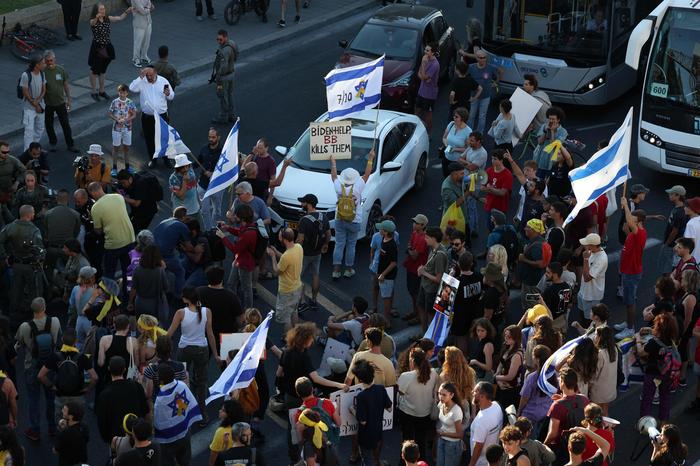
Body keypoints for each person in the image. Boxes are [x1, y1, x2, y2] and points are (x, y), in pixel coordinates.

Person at [166, 286, 220, 425]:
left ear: (185, 299)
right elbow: (210, 334)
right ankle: (203, 415)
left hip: (184, 350)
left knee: (181, 379)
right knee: (201, 383)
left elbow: (169, 334)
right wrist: (215, 354)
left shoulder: (180, 313)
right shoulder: (207, 312)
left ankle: (181, 412)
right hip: (202, 349)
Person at [329, 149, 375, 279]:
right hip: (354, 220)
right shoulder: (357, 187)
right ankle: (348, 269)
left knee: (339, 244)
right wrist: (370, 158)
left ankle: (336, 271)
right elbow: (367, 174)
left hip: (340, 218)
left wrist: (333, 163)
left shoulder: (339, 187)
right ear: (355, 178)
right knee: (351, 245)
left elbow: (333, 176)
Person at [38, 327, 97, 424]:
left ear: (62, 340)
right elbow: (94, 377)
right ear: (76, 340)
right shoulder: (82, 357)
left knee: (61, 424)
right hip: (77, 396)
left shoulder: (55, 357)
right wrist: (88, 389)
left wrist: (52, 386)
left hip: (61, 395)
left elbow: (41, 376)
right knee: (78, 423)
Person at [0, 206, 44, 320]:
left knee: (15, 291)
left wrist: (5, 255)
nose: (34, 215)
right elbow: (40, 250)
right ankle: (35, 316)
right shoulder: (34, 230)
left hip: (16, 264)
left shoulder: (10, 227)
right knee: (34, 291)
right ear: (29, 215)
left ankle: (13, 316)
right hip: (31, 265)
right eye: (33, 213)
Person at [153, 364, 202, 466]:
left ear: (161, 381)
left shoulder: (160, 400)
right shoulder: (182, 386)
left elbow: (159, 421)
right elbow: (189, 404)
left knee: (168, 461)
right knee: (185, 460)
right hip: (184, 431)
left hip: (169, 438)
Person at [96, 356, 149, 446]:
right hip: (137, 433)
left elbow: (102, 421)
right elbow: (145, 409)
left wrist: (108, 439)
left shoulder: (104, 394)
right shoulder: (136, 386)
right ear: (124, 369)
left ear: (109, 369)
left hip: (116, 439)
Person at [88, 181, 136, 280]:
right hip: (130, 240)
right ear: (101, 188)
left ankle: (109, 294)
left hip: (113, 245)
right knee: (128, 271)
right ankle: (127, 292)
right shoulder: (118, 197)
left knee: (109, 273)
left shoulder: (95, 207)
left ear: (92, 193)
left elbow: (98, 231)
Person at [129, 66, 174, 167]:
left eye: (150, 75)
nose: (149, 77)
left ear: (155, 73)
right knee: (149, 138)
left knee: (163, 138)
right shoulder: (142, 82)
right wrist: (140, 77)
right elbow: (132, 88)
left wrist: (168, 94)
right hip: (147, 116)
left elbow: (171, 96)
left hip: (161, 115)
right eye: (147, 75)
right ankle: (153, 159)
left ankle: (166, 159)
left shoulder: (163, 81)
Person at [615, 200, 647, 340]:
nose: (630, 220)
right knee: (627, 301)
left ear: (638, 221)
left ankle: (630, 328)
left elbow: (632, 223)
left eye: (632, 219)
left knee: (630, 301)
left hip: (631, 273)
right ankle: (628, 322)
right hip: (627, 271)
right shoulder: (633, 233)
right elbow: (626, 227)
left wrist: (626, 205)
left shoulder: (639, 233)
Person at [397, 347, 438, 460]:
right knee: (421, 440)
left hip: (407, 413)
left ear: (413, 361)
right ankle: (421, 460)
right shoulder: (433, 373)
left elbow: (400, 392)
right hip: (425, 413)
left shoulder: (406, 376)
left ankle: (406, 460)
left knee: (407, 440)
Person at [637, 313, 679, 423]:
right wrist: (650, 330)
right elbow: (662, 334)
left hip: (653, 373)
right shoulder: (672, 341)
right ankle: (663, 423)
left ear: (658, 327)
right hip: (667, 374)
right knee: (665, 397)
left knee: (647, 399)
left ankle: (645, 424)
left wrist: (637, 339)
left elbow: (641, 352)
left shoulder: (653, 343)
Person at [544, 367, 589, 461]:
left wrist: (544, 445)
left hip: (563, 447)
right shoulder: (584, 399)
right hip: (581, 444)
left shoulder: (557, 406)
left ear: (562, 383)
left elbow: (553, 434)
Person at [353, 359, 392, 466]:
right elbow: (389, 408)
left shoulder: (361, 397)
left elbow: (363, 421)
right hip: (378, 431)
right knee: (375, 455)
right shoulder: (381, 389)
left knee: (367, 460)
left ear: (360, 380)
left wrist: (353, 410)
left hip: (365, 436)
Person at [217, 204, 257, 309]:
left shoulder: (248, 234)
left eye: (236, 215)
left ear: (242, 218)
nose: (234, 217)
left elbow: (235, 249)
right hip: (240, 260)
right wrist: (228, 228)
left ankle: (248, 310)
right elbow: (240, 232)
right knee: (231, 284)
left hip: (244, 264)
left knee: (246, 289)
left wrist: (223, 237)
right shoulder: (249, 226)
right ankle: (234, 305)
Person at [88, 4, 131, 101]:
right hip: (98, 48)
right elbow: (92, 23)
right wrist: (96, 17)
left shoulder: (107, 18)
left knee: (103, 70)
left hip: (107, 47)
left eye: (104, 9)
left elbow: (119, 18)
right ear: (96, 11)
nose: (103, 10)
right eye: (101, 9)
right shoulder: (93, 20)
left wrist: (127, 11)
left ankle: (102, 91)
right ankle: (93, 91)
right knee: (95, 71)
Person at [296, 194, 330, 310]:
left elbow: (300, 239)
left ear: (308, 204)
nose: (301, 205)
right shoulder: (323, 217)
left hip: (305, 253)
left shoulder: (304, 220)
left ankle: (302, 302)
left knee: (298, 277)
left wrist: (294, 250)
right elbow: (328, 233)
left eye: (303, 202)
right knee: (316, 275)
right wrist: (325, 244)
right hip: (317, 253)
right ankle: (314, 300)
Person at [198, 265, 242, 354]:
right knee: (228, 364)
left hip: (203, 334)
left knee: (201, 365)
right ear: (222, 279)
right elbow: (240, 319)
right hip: (227, 336)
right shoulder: (231, 296)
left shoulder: (198, 292)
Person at [268, 228, 304, 333]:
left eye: (280, 236)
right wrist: (276, 251)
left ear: (284, 240)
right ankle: (296, 335)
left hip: (287, 291)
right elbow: (285, 258)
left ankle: (287, 339)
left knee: (286, 318)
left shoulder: (286, 256)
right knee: (294, 311)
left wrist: (273, 256)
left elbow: (276, 271)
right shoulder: (298, 247)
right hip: (297, 287)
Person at [42, 50, 78, 153]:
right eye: (47, 61)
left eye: (51, 60)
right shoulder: (43, 72)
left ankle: (70, 145)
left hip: (61, 103)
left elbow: (66, 85)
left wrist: (69, 100)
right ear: (44, 61)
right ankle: (53, 143)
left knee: (65, 124)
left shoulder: (61, 70)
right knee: (49, 124)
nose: (49, 62)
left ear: (55, 59)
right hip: (48, 103)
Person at [468, 382, 503, 466]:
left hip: (480, 462)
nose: (472, 392)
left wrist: (471, 464)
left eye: (475, 391)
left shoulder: (482, 421)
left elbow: (478, 446)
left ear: (482, 396)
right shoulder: (496, 405)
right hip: (492, 459)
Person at [578, 233, 607, 327]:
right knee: (582, 315)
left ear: (593, 246)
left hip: (591, 295)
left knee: (589, 321)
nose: (584, 245)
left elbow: (587, 278)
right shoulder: (591, 252)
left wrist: (585, 259)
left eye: (587, 244)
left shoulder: (601, 259)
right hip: (584, 292)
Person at [468, 50, 500, 134]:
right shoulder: (471, 67)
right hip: (474, 96)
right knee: (471, 116)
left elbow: (501, 71)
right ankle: (469, 133)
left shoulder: (490, 67)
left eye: (484, 58)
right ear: (476, 58)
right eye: (480, 58)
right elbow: (464, 75)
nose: (482, 59)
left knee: (482, 116)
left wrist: (496, 83)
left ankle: (479, 134)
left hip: (485, 96)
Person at [108, 85, 138, 175]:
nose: (122, 94)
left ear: (127, 93)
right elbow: (109, 113)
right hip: (116, 129)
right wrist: (117, 119)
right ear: (118, 92)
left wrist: (126, 120)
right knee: (116, 147)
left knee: (126, 148)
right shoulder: (114, 102)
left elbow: (134, 115)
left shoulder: (130, 102)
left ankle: (128, 166)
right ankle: (114, 168)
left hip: (128, 128)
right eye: (120, 92)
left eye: (124, 92)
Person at [196, 128, 223, 230]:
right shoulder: (204, 149)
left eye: (213, 137)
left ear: (218, 137)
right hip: (203, 185)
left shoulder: (223, 152)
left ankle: (214, 227)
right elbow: (198, 162)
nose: (211, 139)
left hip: (217, 185)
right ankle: (208, 230)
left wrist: (213, 173)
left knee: (217, 209)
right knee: (204, 210)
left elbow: (225, 168)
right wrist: (186, 165)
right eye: (209, 137)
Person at [20, 53, 47, 151]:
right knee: (29, 131)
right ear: (37, 65)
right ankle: (27, 152)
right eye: (43, 63)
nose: (45, 65)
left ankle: (34, 148)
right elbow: (25, 91)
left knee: (40, 128)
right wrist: (33, 103)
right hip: (29, 108)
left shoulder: (42, 74)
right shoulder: (26, 75)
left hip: (40, 105)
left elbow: (44, 89)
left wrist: (38, 102)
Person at [533, 107, 568, 180]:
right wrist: (545, 132)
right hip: (541, 160)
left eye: (553, 119)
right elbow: (540, 142)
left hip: (552, 162)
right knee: (538, 181)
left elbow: (554, 146)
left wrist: (552, 131)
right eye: (549, 119)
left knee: (549, 183)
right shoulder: (544, 126)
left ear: (558, 120)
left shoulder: (563, 132)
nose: (551, 121)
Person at [211, 30, 238, 124]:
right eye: (217, 39)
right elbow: (236, 56)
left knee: (222, 96)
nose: (219, 41)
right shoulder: (232, 43)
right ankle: (232, 115)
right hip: (231, 74)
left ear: (225, 37)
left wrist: (218, 77)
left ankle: (223, 116)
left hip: (224, 77)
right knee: (230, 95)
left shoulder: (225, 50)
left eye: (220, 39)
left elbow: (223, 66)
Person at [495, 325, 524, 410]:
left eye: (509, 337)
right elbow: (500, 365)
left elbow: (510, 376)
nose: (506, 338)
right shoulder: (506, 348)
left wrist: (496, 377)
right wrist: (498, 378)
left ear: (516, 337)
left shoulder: (517, 355)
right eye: (505, 336)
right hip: (502, 387)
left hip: (511, 391)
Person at [435, 382, 464, 466]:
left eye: (444, 395)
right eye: (439, 394)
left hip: (452, 444)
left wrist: (443, 433)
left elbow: (460, 435)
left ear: (451, 395)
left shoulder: (456, 411)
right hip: (441, 440)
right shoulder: (441, 404)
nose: (441, 397)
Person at [53, 401, 89, 466]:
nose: (62, 410)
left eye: (64, 410)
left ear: (71, 416)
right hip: (81, 461)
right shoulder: (84, 426)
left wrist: (60, 430)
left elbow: (55, 450)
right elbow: (86, 439)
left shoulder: (65, 433)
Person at [483, 149, 513, 219]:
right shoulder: (489, 170)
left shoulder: (507, 175)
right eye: (492, 158)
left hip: (500, 208)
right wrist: (489, 189)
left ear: (501, 160)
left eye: (495, 159)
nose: (492, 161)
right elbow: (482, 186)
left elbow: (502, 193)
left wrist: (490, 188)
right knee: (489, 226)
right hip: (489, 205)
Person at [131, 0, 153, 67]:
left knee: (147, 41)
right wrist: (148, 9)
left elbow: (149, 4)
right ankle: (136, 59)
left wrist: (146, 8)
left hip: (148, 21)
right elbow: (142, 11)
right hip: (139, 23)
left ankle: (144, 56)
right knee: (138, 42)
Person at [684, 197, 700, 261]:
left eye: (687, 206)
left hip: (691, 261)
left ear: (693, 209)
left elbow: (689, 246)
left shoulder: (690, 224)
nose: (684, 208)